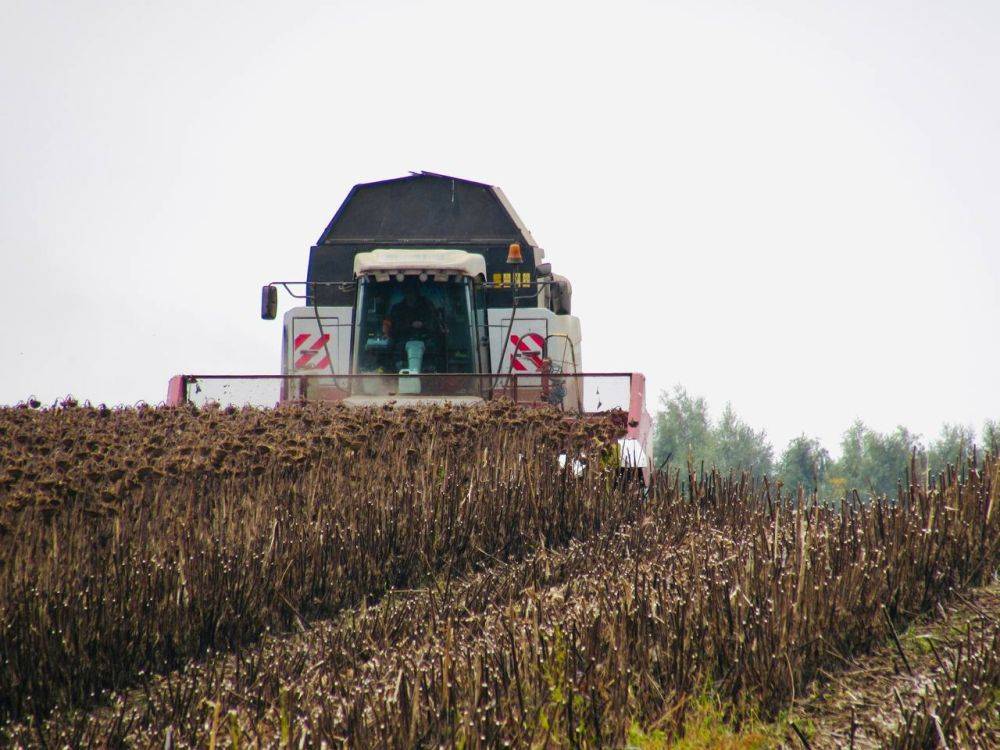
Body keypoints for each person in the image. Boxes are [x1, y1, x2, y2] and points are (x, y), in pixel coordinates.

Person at [382, 280, 446, 369]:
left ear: (417, 293)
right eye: (408, 292)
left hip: (427, 341)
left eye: (412, 292)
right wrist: (409, 325)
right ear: (404, 293)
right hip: (401, 342)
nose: (410, 295)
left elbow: (436, 324)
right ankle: (395, 370)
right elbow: (392, 328)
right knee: (389, 349)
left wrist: (423, 325)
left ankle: (435, 369)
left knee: (439, 347)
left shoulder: (427, 306)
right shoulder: (397, 309)